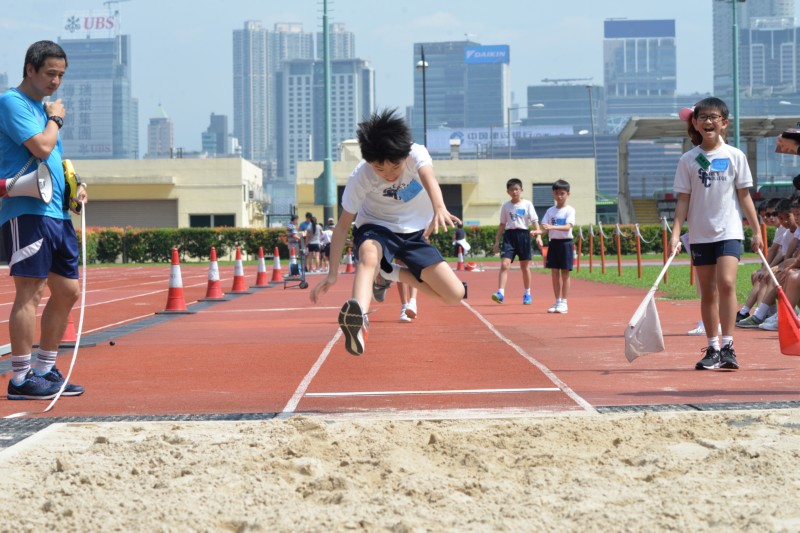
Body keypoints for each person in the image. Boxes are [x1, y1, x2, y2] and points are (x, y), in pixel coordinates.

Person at [310, 108, 464, 356]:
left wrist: (440, 207)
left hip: (413, 232)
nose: (389, 175)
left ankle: (392, 273)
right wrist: (331, 275)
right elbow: (341, 228)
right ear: (370, 162)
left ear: (405, 154)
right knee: (369, 256)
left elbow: (429, 178)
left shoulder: (416, 154)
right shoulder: (360, 177)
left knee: (454, 295)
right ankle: (358, 321)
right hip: (376, 226)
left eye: (395, 167)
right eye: (380, 170)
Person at [1, 41, 87, 400]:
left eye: (61, 75)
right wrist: (55, 118)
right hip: (26, 210)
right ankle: (20, 378)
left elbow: (56, 160)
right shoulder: (13, 102)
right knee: (30, 291)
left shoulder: (41, 108)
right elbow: (41, 147)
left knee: (68, 290)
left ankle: (45, 368)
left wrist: (76, 185)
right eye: (50, 73)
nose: (56, 81)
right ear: (30, 70)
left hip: (55, 211)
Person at [669, 97, 763, 372]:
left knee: (727, 284)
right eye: (703, 118)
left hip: (729, 231)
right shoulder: (688, 160)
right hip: (699, 234)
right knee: (707, 291)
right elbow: (683, 201)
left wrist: (756, 231)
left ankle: (729, 346)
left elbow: (745, 196)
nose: (708, 122)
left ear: (724, 123)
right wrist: (676, 234)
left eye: (714, 117)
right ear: (695, 123)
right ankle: (712, 347)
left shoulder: (735, 155)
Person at [491, 178, 543, 305]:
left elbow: (534, 221)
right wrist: (497, 241)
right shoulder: (506, 206)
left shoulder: (527, 204)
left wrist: (538, 235)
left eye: (517, 189)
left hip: (523, 235)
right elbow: (502, 224)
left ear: (521, 190)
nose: (514, 192)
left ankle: (527, 293)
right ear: (507, 192)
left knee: (524, 267)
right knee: (504, 264)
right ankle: (501, 293)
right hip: (509, 236)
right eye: (511, 190)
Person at [539, 179, 575, 314]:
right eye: (556, 193)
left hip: (565, 244)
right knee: (554, 273)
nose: (559, 197)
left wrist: (552, 226)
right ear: (553, 194)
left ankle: (564, 302)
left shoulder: (569, 210)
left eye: (562, 193)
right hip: (553, 243)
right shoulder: (550, 211)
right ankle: (557, 301)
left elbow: (567, 227)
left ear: (568, 194)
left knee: (565, 273)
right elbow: (544, 228)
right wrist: (537, 233)